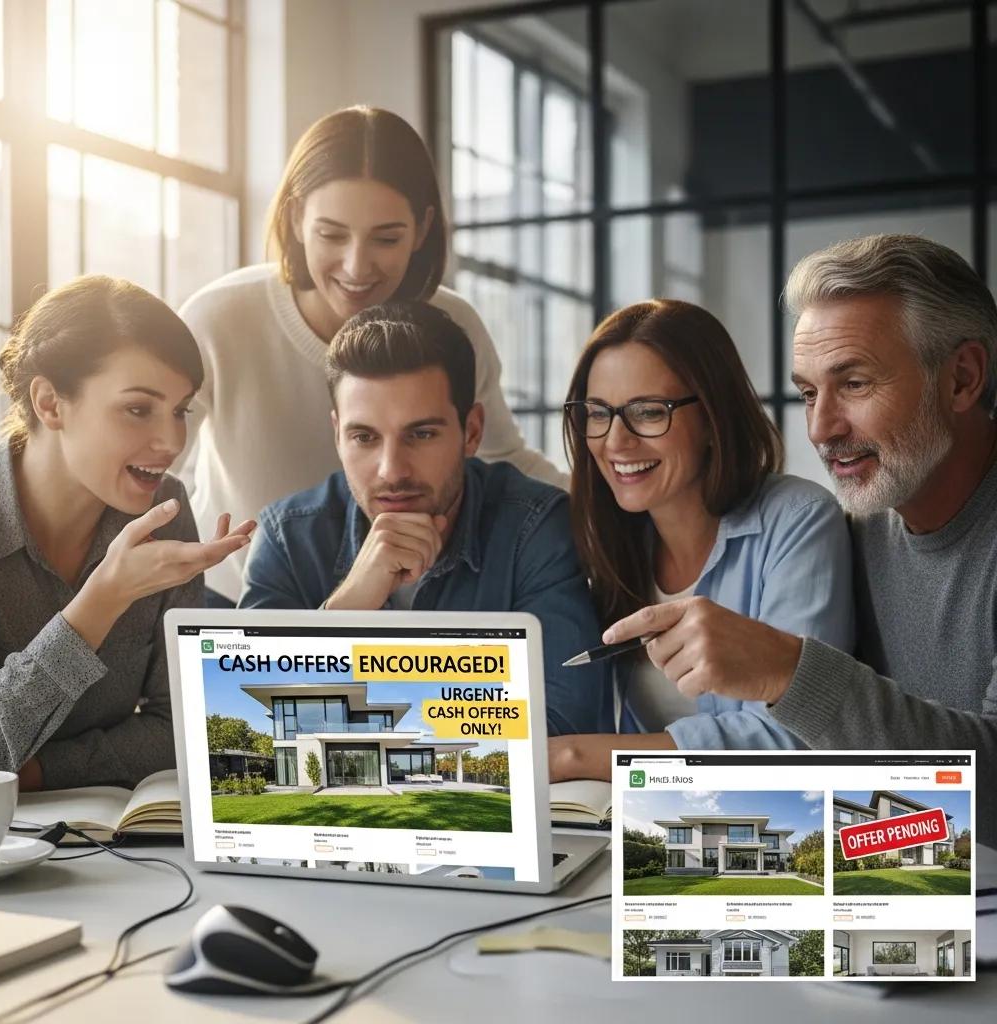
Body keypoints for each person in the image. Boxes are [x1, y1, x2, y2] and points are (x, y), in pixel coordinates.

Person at [602, 235, 997, 848]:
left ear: (962, 378)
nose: (820, 428)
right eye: (810, 392)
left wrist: (790, 673)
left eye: (856, 384)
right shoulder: (863, 526)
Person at [178, 105, 565, 606]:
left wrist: (623, 503)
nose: (357, 267)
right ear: (296, 218)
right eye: (331, 234)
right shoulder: (218, 318)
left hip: (407, 593)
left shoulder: (453, 327)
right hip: (243, 600)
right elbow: (156, 465)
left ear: (422, 228)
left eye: (386, 238)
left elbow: (504, 456)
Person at [239, 302, 605, 736]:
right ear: (337, 435)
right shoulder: (287, 537)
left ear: (471, 432)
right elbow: (250, 729)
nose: (392, 470)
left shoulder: (536, 528)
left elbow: (562, 721)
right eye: (364, 437)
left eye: (422, 434)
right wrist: (347, 610)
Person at [548, 300, 854, 780]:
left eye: (648, 412)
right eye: (597, 413)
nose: (615, 441)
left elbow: (794, 738)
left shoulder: (798, 520)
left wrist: (576, 757)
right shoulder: (609, 541)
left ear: (713, 417)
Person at [0, 276, 254, 791]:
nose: (171, 440)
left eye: (180, 410)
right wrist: (101, 601)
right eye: (137, 409)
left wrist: (40, 771)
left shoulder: (164, 512)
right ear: (51, 404)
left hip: (117, 850)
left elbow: (185, 728)